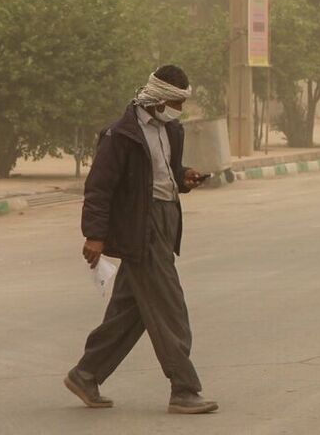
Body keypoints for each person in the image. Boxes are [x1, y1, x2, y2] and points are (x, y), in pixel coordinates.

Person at [64, 65, 218, 415]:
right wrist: (95, 235)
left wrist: (184, 177)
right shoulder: (121, 135)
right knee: (169, 307)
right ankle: (184, 388)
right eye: (176, 103)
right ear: (158, 99)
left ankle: (85, 374)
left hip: (165, 221)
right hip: (141, 227)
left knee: (131, 311)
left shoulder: (171, 130)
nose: (179, 109)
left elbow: (164, 173)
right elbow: (99, 188)